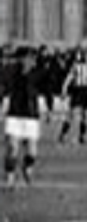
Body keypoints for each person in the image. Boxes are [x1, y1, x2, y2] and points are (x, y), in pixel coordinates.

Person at [2, 49, 51, 188]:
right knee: (12, 148)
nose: (31, 61)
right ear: (22, 59)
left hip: (31, 116)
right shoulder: (11, 72)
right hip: (14, 115)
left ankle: (26, 166)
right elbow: (2, 87)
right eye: (28, 58)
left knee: (32, 152)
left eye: (33, 58)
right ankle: (10, 175)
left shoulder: (38, 73)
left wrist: (49, 108)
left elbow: (47, 90)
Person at [58, 47, 87, 144]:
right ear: (83, 56)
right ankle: (62, 134)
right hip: (78, 91)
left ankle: (81, 137)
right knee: (71, 115)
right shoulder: (76, 67)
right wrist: (64, 90)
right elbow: (68, 79)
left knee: (85, 116)